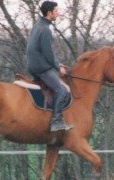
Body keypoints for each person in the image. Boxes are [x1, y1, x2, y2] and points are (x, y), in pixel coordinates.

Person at [26, 1, 73, 132]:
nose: (58, 13)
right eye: (56, 11)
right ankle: (56, 122)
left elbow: (44, 52)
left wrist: (57, 64)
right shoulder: (45, 30)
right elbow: (48, 53)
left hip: (33, 65)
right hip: (40, 68)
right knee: (62, 91)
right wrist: (59, 68)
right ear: (49, 13)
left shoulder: (37, 26)